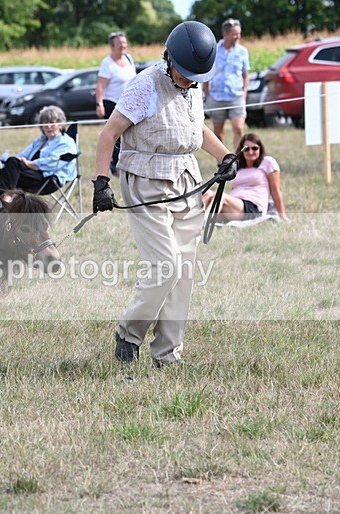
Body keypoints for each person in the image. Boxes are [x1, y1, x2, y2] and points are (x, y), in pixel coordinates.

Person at [92, 21, 237, 368]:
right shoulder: (145, 85)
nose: (190, 81)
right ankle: (129, 332)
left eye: (195, 76)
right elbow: (109, 134)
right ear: (169, 57)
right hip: (145, 179)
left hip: (186, 179)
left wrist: (225, 156)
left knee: (184, 270)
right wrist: (100, 182)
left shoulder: (193, 83)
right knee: (165, 265)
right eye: (186, 74)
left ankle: (168, 353)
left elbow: (195, 128)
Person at [0, 105, 77, 210]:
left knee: (11, 166)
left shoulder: (66, 142)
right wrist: (21, 160)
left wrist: (30, 164)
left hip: (48, 179)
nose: (48, 126)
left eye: (52, 122)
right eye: (45, 123)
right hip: (31, 176)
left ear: (60, 125)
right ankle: (0, 206)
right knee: (7, 169)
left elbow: (52, 163)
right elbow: (23, 155)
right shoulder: (40, 140)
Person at [202, 133, 288, 222]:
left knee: (219, 196)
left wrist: (283, 216)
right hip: (234, 205)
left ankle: (203, 223)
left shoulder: (268, 162)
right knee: (207, 194)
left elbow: (276, 190)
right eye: (247, 149)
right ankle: (190, 221)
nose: (250, 152)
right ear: (242, 150)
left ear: (260, 149)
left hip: (253, 207)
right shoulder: (238, 167)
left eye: (254, 148)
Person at [96, 31, 138, 176]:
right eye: (120, 44)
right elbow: (100, 85)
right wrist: (99, 103)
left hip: (130, 103)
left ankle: (128, 160)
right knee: (115, 134)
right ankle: (114, 164)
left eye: (124, 43)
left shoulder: (129, 59)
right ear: (112, 46)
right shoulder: (107, 63)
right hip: (112, 103)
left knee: (130, 133)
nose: (123, 46)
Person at [204, 18, 250, 149]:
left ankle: (238, 161)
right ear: (225, 34)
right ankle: (222, 163)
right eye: (235, 34)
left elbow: (246, 75)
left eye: (239, 33)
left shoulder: (242, 51)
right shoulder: (214, 50)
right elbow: (207, 74)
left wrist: (244, 93)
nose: (238, 37)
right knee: (218, 133)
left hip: (236, 96)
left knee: (239, 128)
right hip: (217, 96)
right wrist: (207, 94)